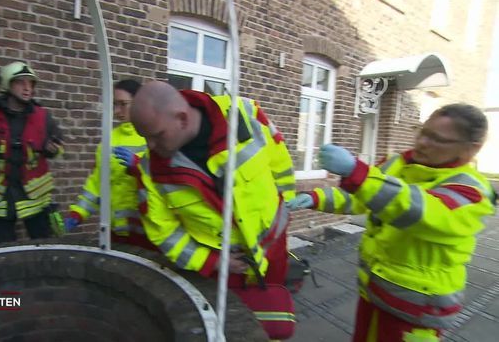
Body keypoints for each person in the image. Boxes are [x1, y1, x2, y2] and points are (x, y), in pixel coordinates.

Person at [287, 104, 495, 341]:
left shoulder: (471, 190)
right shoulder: (398, 163)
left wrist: (359, 174)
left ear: (471, 149)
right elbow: (361, 197)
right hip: (376, 289)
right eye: (422, 131)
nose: (422, 142)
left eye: (437, 139)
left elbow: (418, 211)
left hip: (417, 306)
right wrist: (315, 197)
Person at [127, 81, 296, 286]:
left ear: (182, 119)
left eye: (156, 135)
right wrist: (212, 262)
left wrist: (288, 204)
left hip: (275, 253)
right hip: (224, 273)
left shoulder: (245, 114)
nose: (150, 145)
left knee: (275, 309)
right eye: (145, 138)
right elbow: (164, 233)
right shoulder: (149, 172)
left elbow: (280, 162)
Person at [0, 61, 64, 244]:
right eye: (20, 82)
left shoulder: (43, 116)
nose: (27, 88)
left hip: (35, 198)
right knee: (3, 250)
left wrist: (53, 149)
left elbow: (58, 144)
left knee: (44, 247)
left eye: (31, 83)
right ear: (7, 85)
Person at [64, 79, 155, 249]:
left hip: (149, 233)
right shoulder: (109, 139)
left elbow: (164, 180)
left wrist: (138, 166)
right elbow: (97, 184)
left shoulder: (153, 135)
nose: (117, 111)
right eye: (115, 104)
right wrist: (78, 213)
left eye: (123, 104)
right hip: (116, 232)